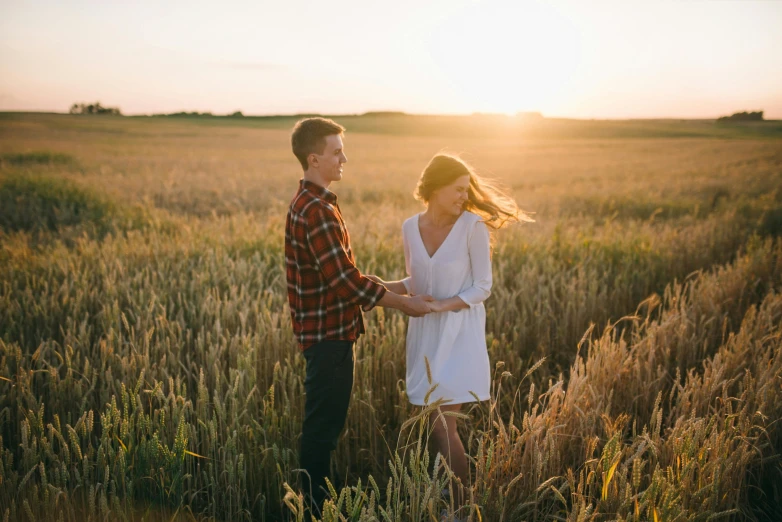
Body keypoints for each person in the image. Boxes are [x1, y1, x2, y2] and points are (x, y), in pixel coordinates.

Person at [285, 117, 432, 515]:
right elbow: (344, 284)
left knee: (321, 427)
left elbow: (340, 274)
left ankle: (313, 506)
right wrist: (405, 304)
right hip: (329, 337)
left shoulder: (311, 204)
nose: (344, 158)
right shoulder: (317, 210)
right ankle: (314, 510)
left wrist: (397, 286)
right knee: (322, 431)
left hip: (326, 332)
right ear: (314, 159)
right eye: (336, 152)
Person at [369, 153, 532, 512]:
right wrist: (384, 286)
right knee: (433, 421)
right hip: (425, 332)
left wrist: (440, 306)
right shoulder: (410, 227)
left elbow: (482, 287)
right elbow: (418, 282)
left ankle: (461, 508)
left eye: (466, 190)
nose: (463, 196)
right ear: (434, 188)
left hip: (459, 332)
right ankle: (448, 491)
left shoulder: (472, 226)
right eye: (457, 190)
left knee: (444, 426)